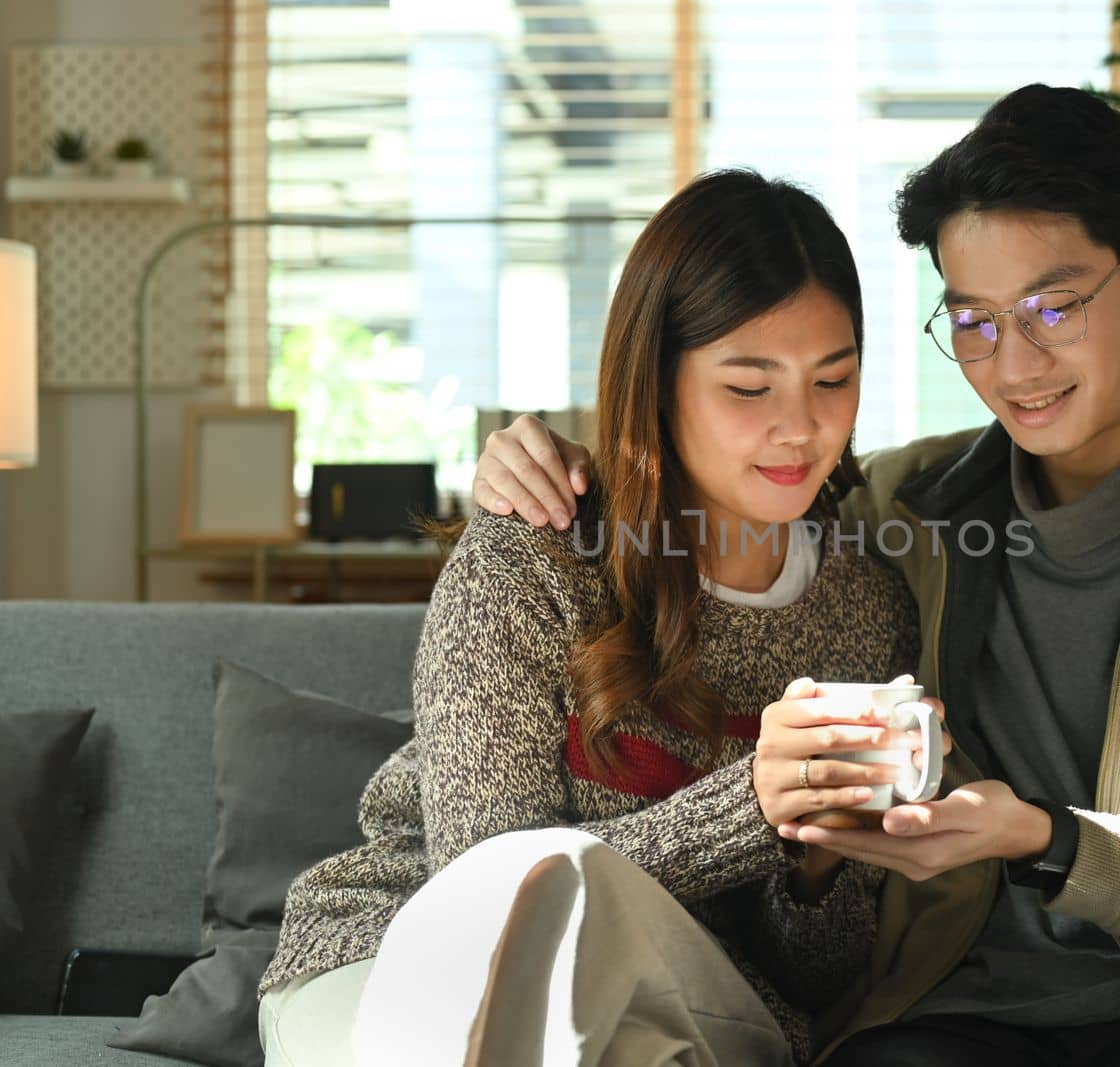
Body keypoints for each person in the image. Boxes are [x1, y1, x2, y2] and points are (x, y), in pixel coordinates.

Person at [469, 85, 1120, 1067]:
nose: (1014, 362)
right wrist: (569, 469)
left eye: (1052, 306)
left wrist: (1046, 840)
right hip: (946, 1000)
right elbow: (732, 487)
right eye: (975, 321)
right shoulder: (901, 514)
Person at [254, 168, 946, 1067]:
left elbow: (821, 974)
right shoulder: (533, 556)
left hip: (687, 992)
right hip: (396, 952)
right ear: (658, 383)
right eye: (749, 387)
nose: (802, 427)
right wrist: (752, 805)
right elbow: (488, 895)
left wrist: (817, 859)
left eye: (834, 378)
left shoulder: (864, 608)